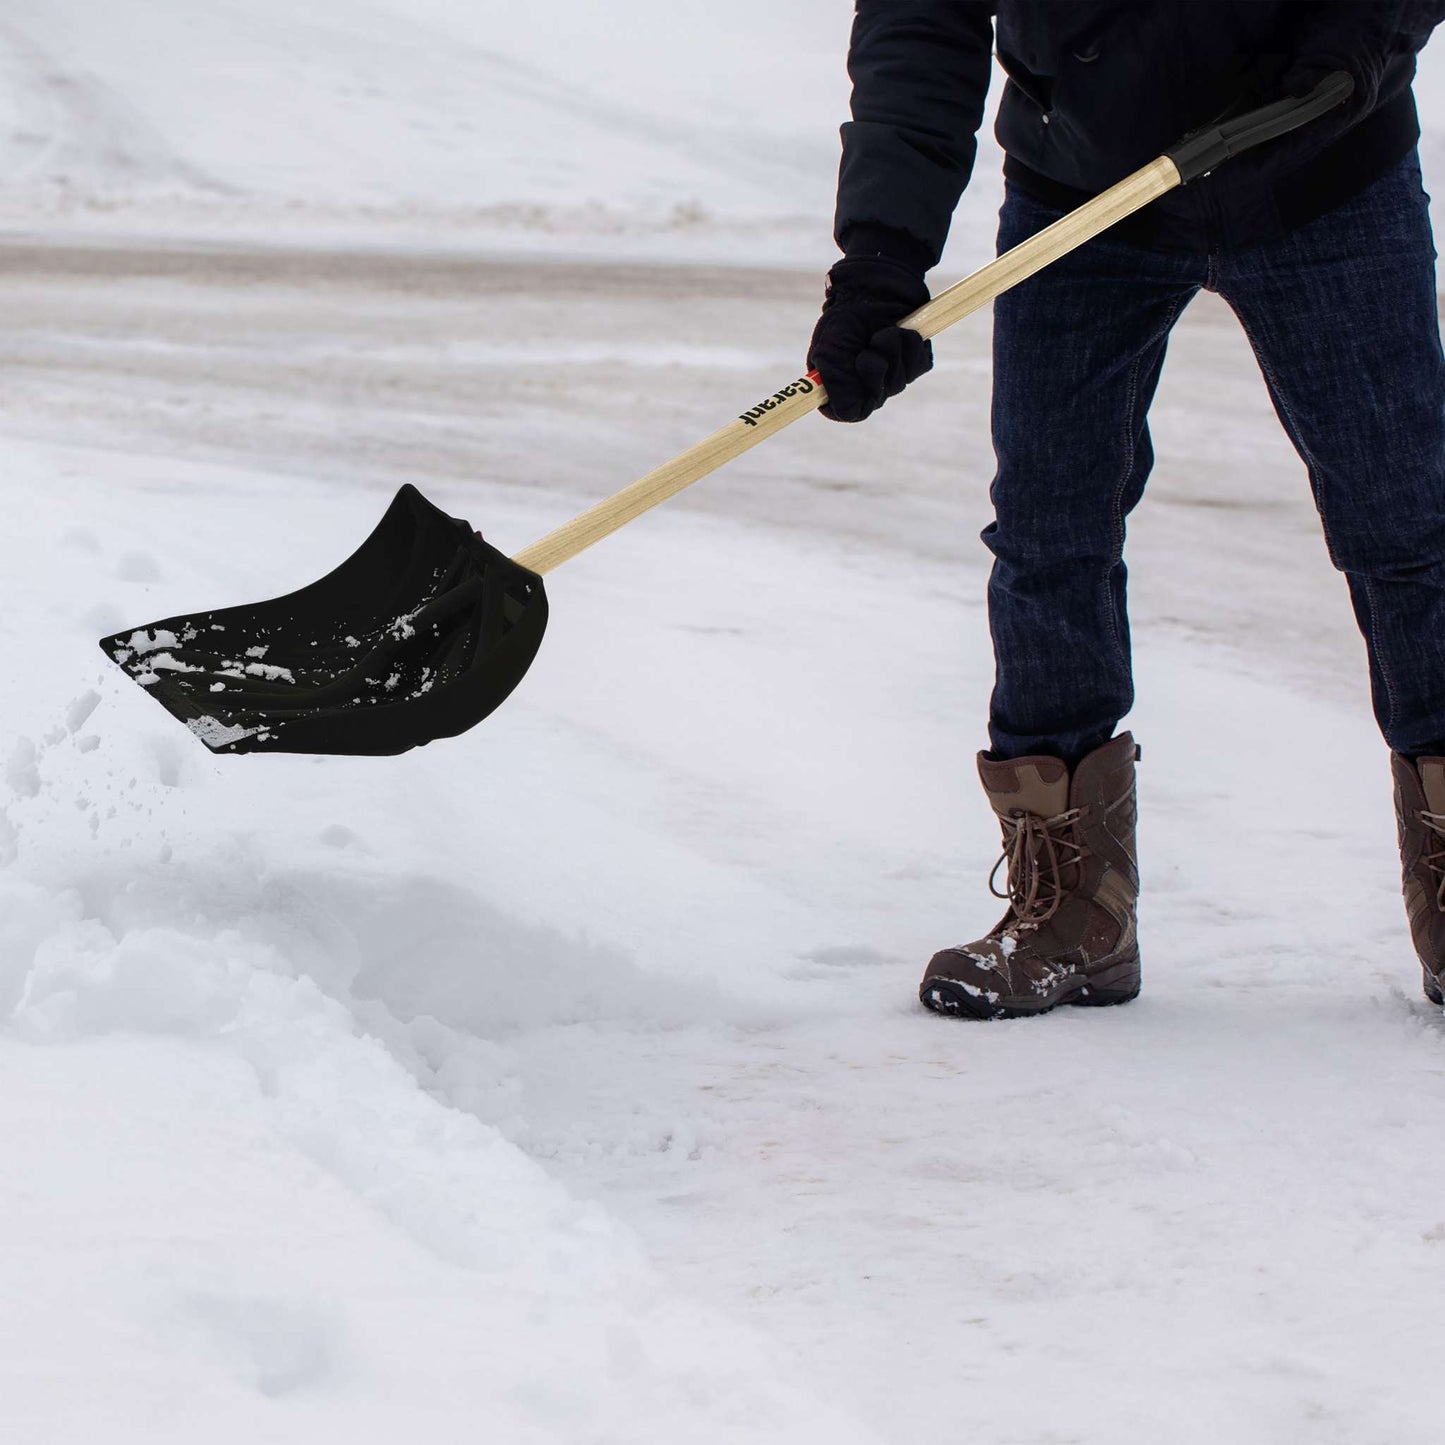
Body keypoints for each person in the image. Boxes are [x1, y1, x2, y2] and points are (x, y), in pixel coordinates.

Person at [808, 2, 1445, 1019]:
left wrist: (1362, 30)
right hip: (1085, 188)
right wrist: (880, 261)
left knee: (1405, 519)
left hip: (1319, 166)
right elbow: (917, 27)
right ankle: (1072, 910)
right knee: (1047, 529)